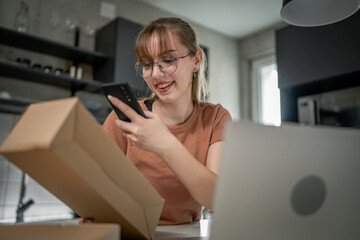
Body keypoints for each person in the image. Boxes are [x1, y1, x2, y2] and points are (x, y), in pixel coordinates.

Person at [103, 17, 231, 225]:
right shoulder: (124, 118)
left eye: (168, 61)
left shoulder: (217, 118)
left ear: (196, 61)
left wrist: (167, 145)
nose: (155, 74)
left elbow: (216, 198)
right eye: (146, 64)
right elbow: (95, 183)